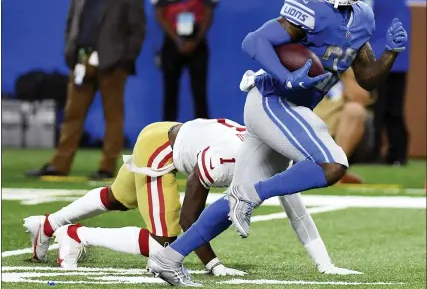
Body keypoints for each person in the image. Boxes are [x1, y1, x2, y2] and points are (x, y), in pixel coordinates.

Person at [147, 0, 408, 286]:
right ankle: (252, 195)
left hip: (292, 107)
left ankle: (168, 258)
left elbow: (366, 77)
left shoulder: (364, 18)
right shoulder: (310, 10)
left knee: (232, 204)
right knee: (332, 164)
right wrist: (286, 76)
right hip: (273, 99)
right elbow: (254, 42)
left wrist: (389, 53)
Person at [24, 119, 355, 279]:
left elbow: (298, 214)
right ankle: (75, 234)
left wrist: (324, 265)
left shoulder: (278, 160)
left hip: (177, 135)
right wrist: (213, 263)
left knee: (118, 197)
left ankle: (48, 225)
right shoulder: (227, 160)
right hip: (161, 148)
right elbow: (189, 220)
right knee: (164, 246)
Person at [25, 0, 146, 180]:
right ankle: (59, 164)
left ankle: (106, 167)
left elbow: (137, 31)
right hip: (81, 59)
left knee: (112, 116)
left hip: (112, 64)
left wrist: (123, 60)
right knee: (73, 113)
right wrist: (71, 51)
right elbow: (72, 20)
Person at [151, 0, 219, 121]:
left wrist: (195, 40)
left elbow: (209, 13)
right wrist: (178, 41)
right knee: (170, 92)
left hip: (197, 41)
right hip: (172, 43)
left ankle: (205, 138)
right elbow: (160, 14)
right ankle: (166, 136)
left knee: (200, 93)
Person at [363, 0, 411, 166]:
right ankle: (398, 156)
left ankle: (372, 155)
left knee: (376, 109)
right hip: (400, 60)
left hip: (379, 60)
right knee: (395, 110)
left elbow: (364, 25)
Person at [314, 69, 375, 183]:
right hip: (303, 126)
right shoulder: (299, 59)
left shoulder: (346, 64)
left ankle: (335, 171)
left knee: (355, 110)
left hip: (336, 134)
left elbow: (359, 98)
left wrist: (345, 73)